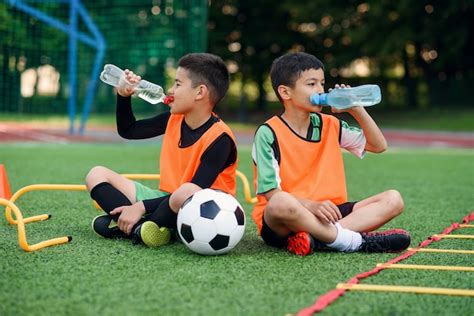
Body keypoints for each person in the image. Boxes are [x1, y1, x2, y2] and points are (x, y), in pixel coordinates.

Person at [251, 52, 410, 256]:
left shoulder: (330, 125)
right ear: (285, 92)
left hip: (332, 212)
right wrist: (311, 206)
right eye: (311, 84)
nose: (320, 90)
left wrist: (356, 110)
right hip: (287, 218)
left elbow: (378, 145)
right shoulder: (268, 132)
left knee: (393, 199)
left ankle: (318, 240)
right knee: (279, 203)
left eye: (322, 83)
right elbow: (271, 192)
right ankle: (350, 241)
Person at [85, 53, 237, 247]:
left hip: (204, 212)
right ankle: (144, 228)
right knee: (96, 174)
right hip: (164, 202)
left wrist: (141, 206)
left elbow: (195, 193)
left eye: (178, 84)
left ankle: (140, 226)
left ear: (200, 92)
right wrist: (123, 97)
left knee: (185, 192)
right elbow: (128, 130)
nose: (170, 90)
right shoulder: (173, 120)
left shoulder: (220, 138)